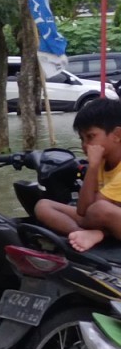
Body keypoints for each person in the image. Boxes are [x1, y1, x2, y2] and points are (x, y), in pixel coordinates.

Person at [35, 99, 121, 252]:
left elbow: (93, 211)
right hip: (99, 219)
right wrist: (93, 168)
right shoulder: (102, 162)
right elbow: (82, 210)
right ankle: (80, 234)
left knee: (100, 208)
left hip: (109, 218)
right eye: (82, 139)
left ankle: (99, 235)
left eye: (91, 136)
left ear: (117, 135)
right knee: (43, 206)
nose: (85, 145)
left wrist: (92, 167)